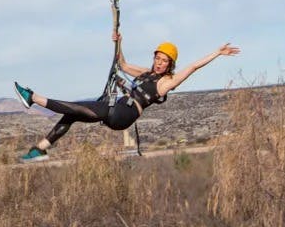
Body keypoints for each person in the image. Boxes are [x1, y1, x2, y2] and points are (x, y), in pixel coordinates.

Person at [14, 37, 240, 160]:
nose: (160, 63)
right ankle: (40, 149)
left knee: (77, 107)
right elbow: (122, 64)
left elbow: (192, 67)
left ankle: (32, 97)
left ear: (170, 64)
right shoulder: (144, 73)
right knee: (71, 114)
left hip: (125, 114)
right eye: (158, 58)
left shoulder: (166, 83)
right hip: (118, 108)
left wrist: (217, 53)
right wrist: (118, 42)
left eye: (164, 61)